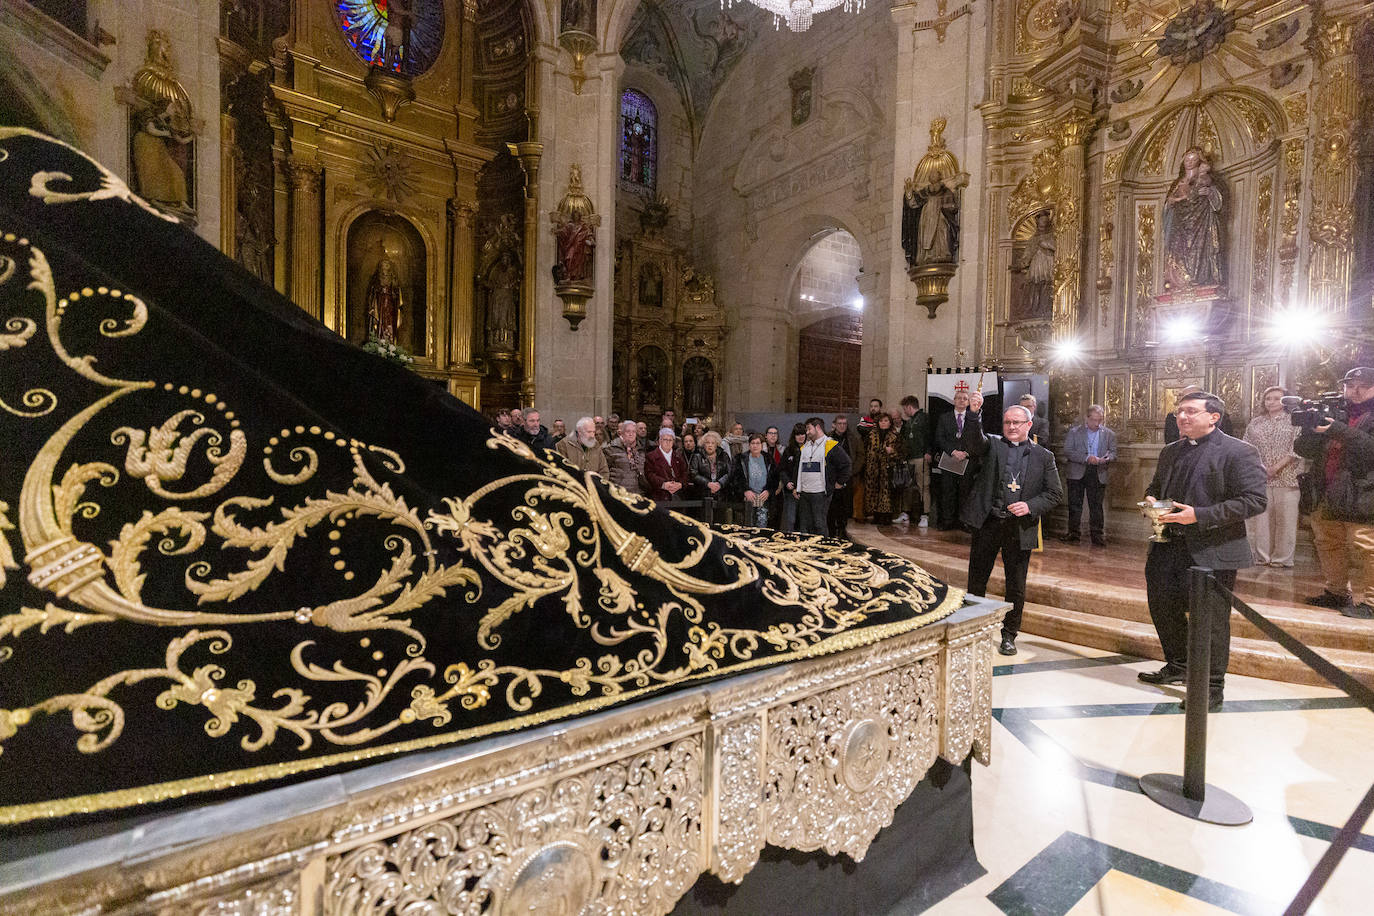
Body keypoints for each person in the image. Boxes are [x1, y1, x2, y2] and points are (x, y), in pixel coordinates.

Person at [1139, 391, 1267, 710]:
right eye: (1179, 411)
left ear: (1213, 417)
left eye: (1191, 411)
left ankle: (1212, 686)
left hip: (1213, 549)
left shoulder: (1240, 451)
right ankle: (1179, 665)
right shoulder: (1170, 451)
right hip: (1167, 545)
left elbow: (1255, 500)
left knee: (1210, 621)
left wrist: (1200, 515)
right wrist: (1152, 501)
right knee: (1162, 607)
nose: (1182, 417)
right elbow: (1156, 488)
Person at [961, 394, 1063, 656]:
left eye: (1017, 422)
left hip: (1019, 528)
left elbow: (1054, 494)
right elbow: (973, 441)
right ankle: (973, 630)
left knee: (1015, 585)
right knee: (977, 580)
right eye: (1007, 422)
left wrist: (1030, 506)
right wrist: (974, 414)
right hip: (989, 523)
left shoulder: (1044, 456)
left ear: (1029, 425)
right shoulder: (993, 446)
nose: (1011, 427)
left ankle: (1009, 635)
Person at [1295, 367, 1374, 619]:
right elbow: (1303, 450)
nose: (1356, 390)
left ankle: (1371, 602)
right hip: (1327, 491)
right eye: (1350, 385)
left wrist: (1336, 429)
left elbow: (1369, 448)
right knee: (1328, 543)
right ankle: (1336, 592)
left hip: (1363, 493)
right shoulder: (1333, 412)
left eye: (1363, 385)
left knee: (1367, 548)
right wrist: (1311, 430)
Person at [1243, 386, 1302, 568]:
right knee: (1261, 520)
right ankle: (1262, 557)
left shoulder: (1295, 421)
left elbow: (1297, 448)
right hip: (1261, 477)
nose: (1271, 402)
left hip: (1288, 477)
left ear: (1285, 401)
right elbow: (1246, 447)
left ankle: (1282, 559)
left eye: (1276, 398)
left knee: (1286, 520)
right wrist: (1261, 467)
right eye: (1268, 398)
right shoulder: (1256, 423)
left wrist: (1276, 467)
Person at [1062, 405, 1117, 546]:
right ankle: (1073, 534)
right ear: (1086, 418)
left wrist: (1107, 458)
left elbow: (1113, 452)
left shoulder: (1109, 434)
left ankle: (1097, 536)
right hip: (1077, 472)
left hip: (1098, 472)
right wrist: (1087, 458)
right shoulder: (1074, 432)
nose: (1097, 423)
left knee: (1096, 506)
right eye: (1094, 420)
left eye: (1100, 420)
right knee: (1075, 505)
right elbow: (1068, 451)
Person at [934, 390, 982, 529]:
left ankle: (964, 522)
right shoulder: (944, 417)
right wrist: (953, 451)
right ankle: (947, 521)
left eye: (965, 398)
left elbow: (978, 437)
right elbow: (939, 437)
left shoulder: (974, 418)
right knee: (947, 492)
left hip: (967, 460)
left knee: (965, 492)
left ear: (968, 402)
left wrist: (966, 452)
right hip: (949, 459)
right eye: (959, 398)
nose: (962, 400)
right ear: (954, 400)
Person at [795, 417, 852, 536]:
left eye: (809, 429)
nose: (807, 432)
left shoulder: (830, 444)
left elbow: (846, 464)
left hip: (820, 493)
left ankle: (821, 550)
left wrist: (840, 482)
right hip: (805, 492)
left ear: (818, 428)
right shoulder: (805, 447)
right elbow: (799, 469)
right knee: (804, 525)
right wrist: (797, 487)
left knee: (819, 524)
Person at [864, 413, 906, 525]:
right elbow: (865, 452)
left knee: (887, 493)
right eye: (881, 421)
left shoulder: (896, 436)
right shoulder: (871, 435)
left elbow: (903, 453)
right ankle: (876, 515)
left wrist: (892, 452)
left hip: (888, 469)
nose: (883, 423)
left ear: (890, 422)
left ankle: (887, 516)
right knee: (874, 492)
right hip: (872, 469)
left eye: (886, 420)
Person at [896, 395, 931, 526]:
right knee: (907, 486)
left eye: (905, 409)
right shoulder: (909, 421)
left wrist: (928, 451)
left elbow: (930, 436)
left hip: (921, 457)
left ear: (909, 407)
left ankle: (925, 515)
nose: (904, 412)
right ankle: (905, 513)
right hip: (909, 458)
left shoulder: (924, 418)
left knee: (924, 486)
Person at [828, 415, 865, 537]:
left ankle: (843, 530)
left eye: (844, 423)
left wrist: (853, 471)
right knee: (832, 506)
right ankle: (832, 531)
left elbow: (860, 456)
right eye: (840, 423)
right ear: (835, 424)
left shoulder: (853, 438)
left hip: (847, 477)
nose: (842, 426)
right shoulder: (828, 438)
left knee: (845, 506)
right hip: (831, 478)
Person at [732, 433, 778, 527]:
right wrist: (745, 490)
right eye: (753, 443)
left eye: (758, 443)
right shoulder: (740, 459)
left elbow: (775, 479)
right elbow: (735, 478)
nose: (755, 446)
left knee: (762, 529)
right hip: (746, 499)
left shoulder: (769, 459)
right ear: (749, 445)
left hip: (763, 499)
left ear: (762, 445)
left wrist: (768, 491)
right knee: (746, 528)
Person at [1165, 385, 1233, 442]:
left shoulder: (1220, 416)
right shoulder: (1172, 417)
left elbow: (1225, 437)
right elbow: (1169, 439)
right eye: (1183, 397)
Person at [644, 427, 689, 502]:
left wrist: (680, 484)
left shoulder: (678, 456)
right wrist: (664, 484)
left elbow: (685, 473)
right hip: (659, 496)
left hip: (678, 497)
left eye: (670, 440)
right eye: (665, 439)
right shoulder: (651, 456)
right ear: (660, 441)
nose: (668, 442)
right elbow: (649, 474)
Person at [778, 422, 807, 533]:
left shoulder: (811, 450)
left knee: (804, 521)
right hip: (790, 491)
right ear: (794, 436)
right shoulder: (788, 450)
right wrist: (787, 482)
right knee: (790, 520)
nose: (800, 437)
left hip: (805, 491)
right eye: (798, 434)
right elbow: (782, 469)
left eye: (802, 434)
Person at [603, 420, 645, 496]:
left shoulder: (641, 450)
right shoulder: (611, 449)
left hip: (637, 493)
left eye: (633, 432)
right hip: (618, 493)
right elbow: (605, 472)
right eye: (628, 431)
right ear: (621, 433)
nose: (631, 434)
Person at [691, 431, 732, 507]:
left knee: (720, 517)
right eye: (707, 443)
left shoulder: (724, 455)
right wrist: (708, 483)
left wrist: (720, 484)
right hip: (703, 494)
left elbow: (729, 472)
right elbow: (693, 474)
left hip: (721, 494)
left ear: (717, 445)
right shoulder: (697, 456)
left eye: (713, 443)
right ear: (703, 444)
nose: (710, 445)